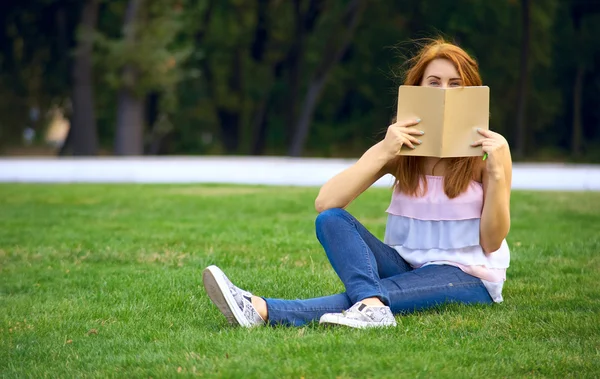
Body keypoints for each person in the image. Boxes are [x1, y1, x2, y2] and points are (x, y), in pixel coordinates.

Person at [202, 38, 512, 329]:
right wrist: (382, 151)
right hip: (407, 266)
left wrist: (496, 173)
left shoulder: (490, 156)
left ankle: (262, 309)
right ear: (416, 90)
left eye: (455, 85)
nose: (444, 92)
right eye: (434, 83)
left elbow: (492, 243)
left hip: (467, 276)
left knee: (386, 290)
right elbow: (326, 203)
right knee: (331, 220)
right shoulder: (400, 154)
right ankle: (371, 304)